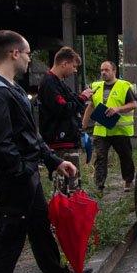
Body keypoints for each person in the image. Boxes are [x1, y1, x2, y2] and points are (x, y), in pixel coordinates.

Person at [0, 30, 88, 273]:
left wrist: (53, 161)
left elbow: (28, 136)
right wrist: (22, 172)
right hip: (13, 177)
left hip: (23, 173)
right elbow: (0, 143)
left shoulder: (10, 88)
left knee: (40, 226)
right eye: (28, 52)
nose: (31, 58)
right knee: (10, 234)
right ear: (14, 53)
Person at [36, 46, 93, 190]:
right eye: (73, 66)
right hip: (60, 141)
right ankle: (65, 211)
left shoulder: (58, 82)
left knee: (71, 183)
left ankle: (69, 209)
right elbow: (63, 109)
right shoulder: (50, 83)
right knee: (66, 185)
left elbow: (71, 103)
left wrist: (79, 99)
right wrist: (82, 98)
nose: (75, 70)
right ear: (64, 64)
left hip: (66, 139)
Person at [82, 60, 136, 196]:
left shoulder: (124, 86)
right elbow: (91, 106)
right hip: (101, 131)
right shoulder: (96, 87)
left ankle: (128, 181)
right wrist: (83, 124)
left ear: (114, 71)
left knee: (125, 157)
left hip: (120, 131)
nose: (103, 73)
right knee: (100, 158)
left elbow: (133, 104)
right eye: (101, 70)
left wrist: (117, 109)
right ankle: (99, 186)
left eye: (106, 70)